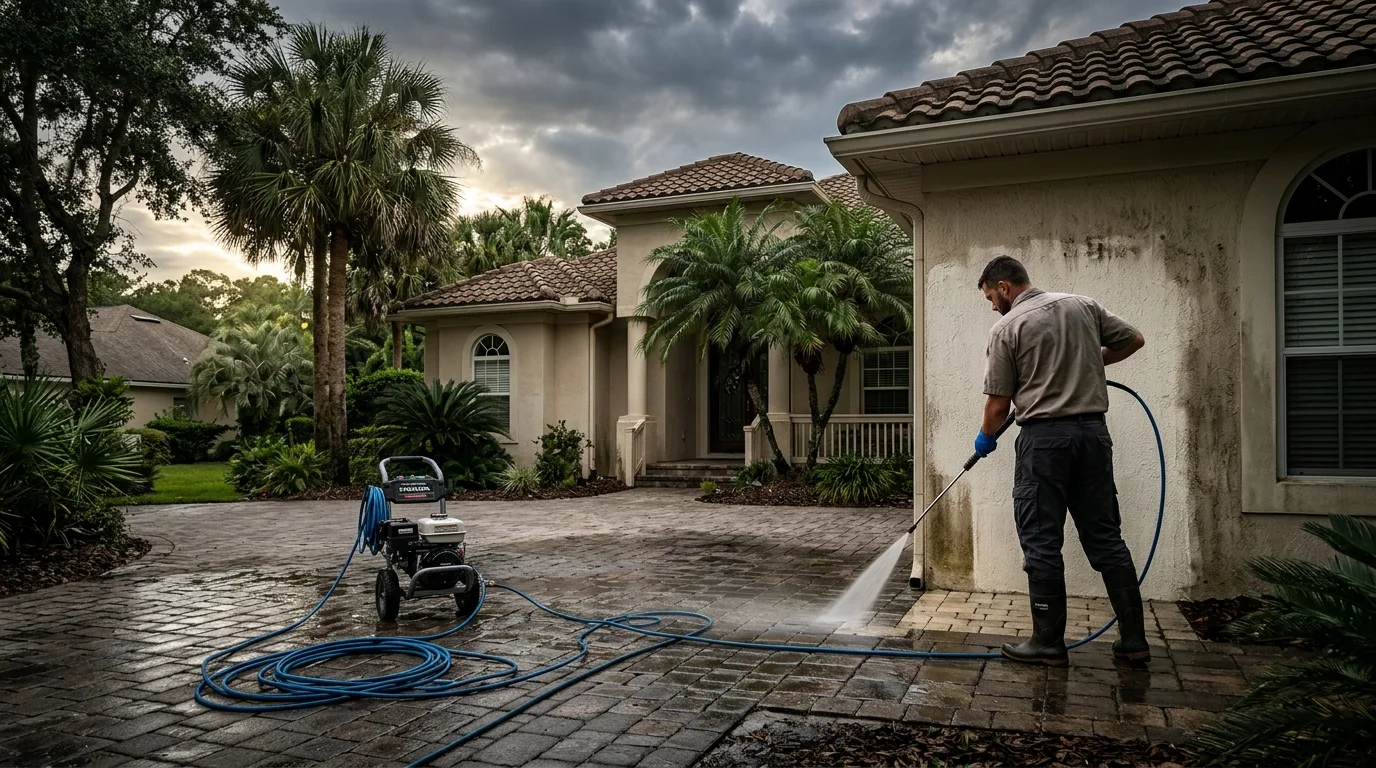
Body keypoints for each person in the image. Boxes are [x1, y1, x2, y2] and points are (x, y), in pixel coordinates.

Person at [974, 255, 1148, 667]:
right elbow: (1134, 340)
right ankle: (1134, 641)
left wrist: (984, 438)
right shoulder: (1083, 305)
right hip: (1093, 437)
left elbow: (999, 403)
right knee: (1106, 536)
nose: (992, 306)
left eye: (990, 297)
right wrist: (1087, 360)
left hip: (1044, 443)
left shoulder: (1007, 327)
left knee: (1041, 539)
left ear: (1003, 286)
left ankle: (1048, 643)